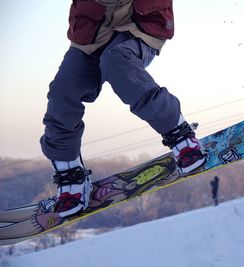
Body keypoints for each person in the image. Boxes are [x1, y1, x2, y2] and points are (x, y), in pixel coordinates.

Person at [39, 0, 206, 218]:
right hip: (91, 35)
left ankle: (178, 132)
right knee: (63, 90)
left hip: (139, 26)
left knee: (117, 61)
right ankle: (69, 170)